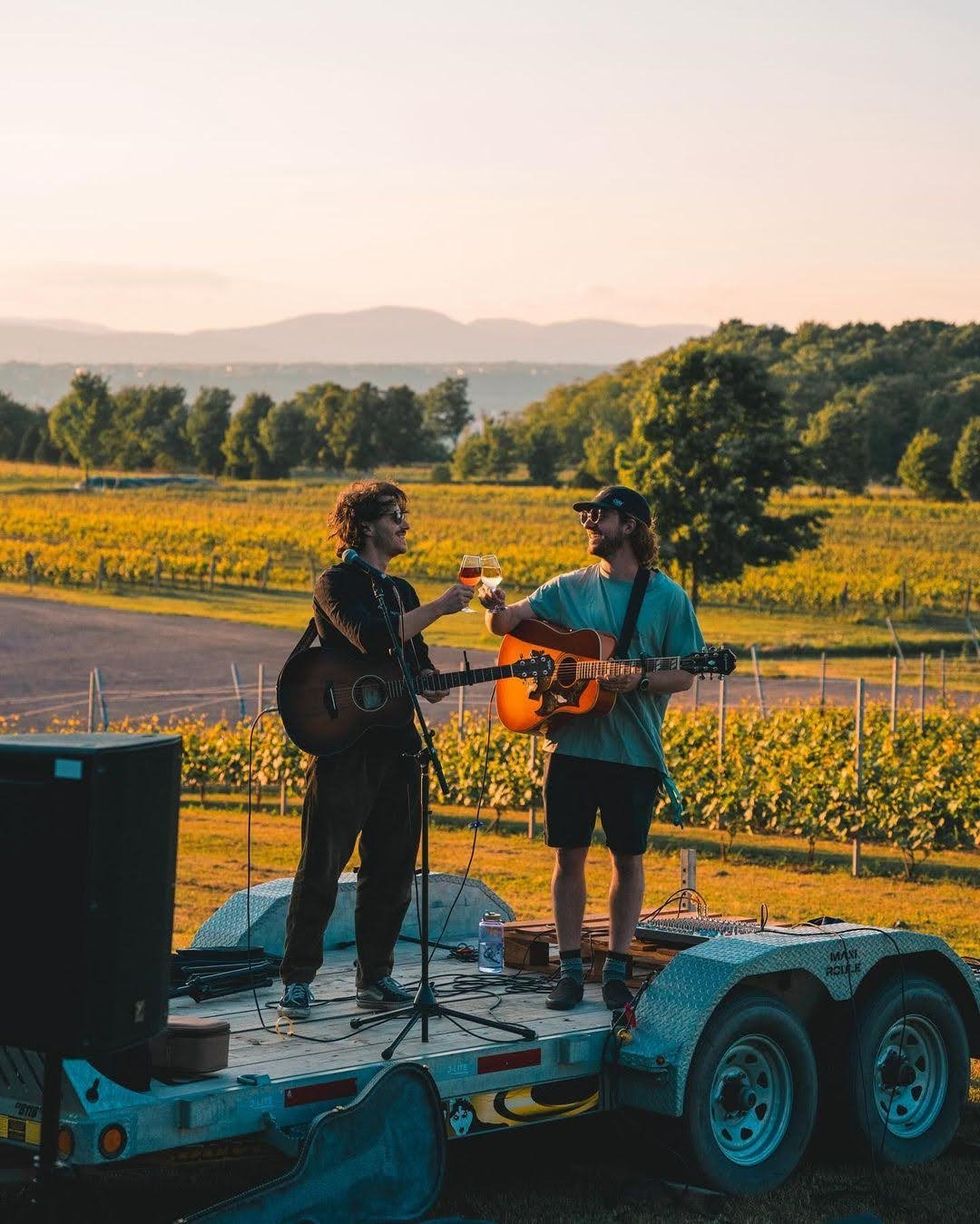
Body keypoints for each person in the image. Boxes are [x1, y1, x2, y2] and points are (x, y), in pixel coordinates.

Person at [481, 486, 703, 1011]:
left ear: (629, 526)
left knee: (628, 858)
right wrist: (494, 608)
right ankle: (570, 970)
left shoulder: (668, 598)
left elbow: (686, 672)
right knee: (568, 856)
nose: (588, 524)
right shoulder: (568, 586)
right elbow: (507, 624)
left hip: (634, 752)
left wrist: (638, 681)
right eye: (587, 515)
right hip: (570, 747)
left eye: (598, 516)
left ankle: (617, 969)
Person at [278, 480, 474, 1019]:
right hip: (344, 748)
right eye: (395, 516)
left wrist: (432, 681)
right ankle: (297, 979)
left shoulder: (401, 590)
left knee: (391, 869)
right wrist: (441, 606)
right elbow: (370, 638)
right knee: (322, 865)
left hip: (398, 746)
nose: (405, 525)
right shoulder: (335, 582)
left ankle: (376, 976)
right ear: (365, 526)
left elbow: (415, 660)